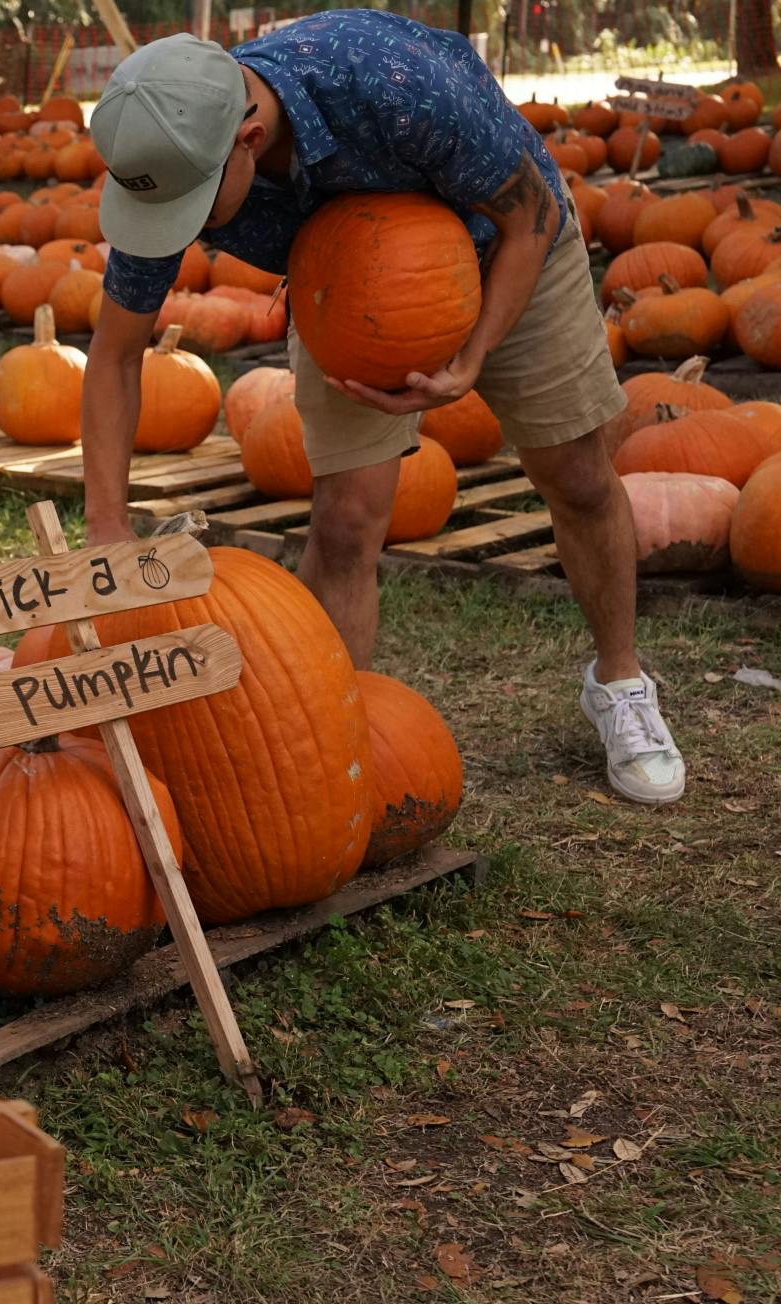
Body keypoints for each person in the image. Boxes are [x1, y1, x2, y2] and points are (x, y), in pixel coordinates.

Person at [83, 10, 685, 805]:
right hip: (348, 284)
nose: (176, 233)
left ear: (249, 139)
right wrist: (107, 528)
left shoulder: (393, 85)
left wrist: (471, 357)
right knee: (343, 523)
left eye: (193, 208)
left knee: (575, 475)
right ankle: (334, 748)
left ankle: (621, 682)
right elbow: (117, 353)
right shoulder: (163, 160)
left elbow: (528, 214)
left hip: (506, 246)